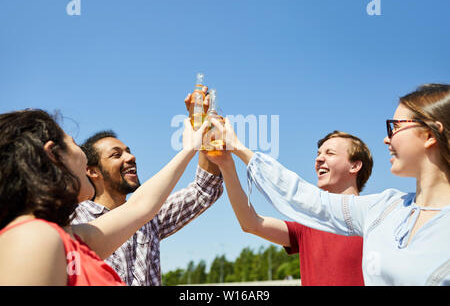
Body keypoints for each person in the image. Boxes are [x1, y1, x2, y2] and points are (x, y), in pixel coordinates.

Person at [209, 83, 450, 286]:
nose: (387, 138)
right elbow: (271, 211)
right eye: (318, 153)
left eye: (395, 127)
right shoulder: (379, 211)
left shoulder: (372, 220)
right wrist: (230, 162)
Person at [0, 109, 209, 285]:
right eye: (73, 144)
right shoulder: (32, 239)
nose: (82, 155)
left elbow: (140, 207)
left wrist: (190, 148)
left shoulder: (70, 237)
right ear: (54, 155)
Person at [206, 130, 373, 285]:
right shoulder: (310, 223)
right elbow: (251, 223)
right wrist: (226, 165)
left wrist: (237, 146)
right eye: (319, 154)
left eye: (330, 153)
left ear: (355, 166)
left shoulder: (374, 219)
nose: (319, 159)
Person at [71, 128, 223, 286]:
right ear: (93, 171)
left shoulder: (149, 217)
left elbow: (205, 189)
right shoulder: (74, 220)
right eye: (116, 155)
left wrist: (205, 129)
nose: (131, 157)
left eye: (128, 152)